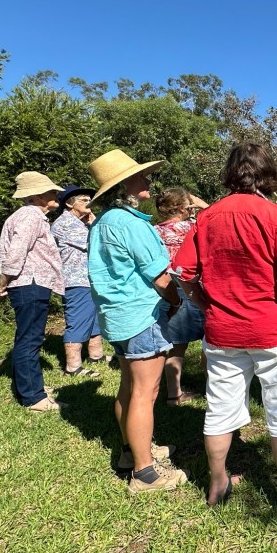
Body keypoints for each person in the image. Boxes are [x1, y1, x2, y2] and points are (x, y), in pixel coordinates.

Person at [175, 143, 277, 513]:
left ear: (230, 173)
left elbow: (183, 272)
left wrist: (205, 304)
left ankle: (217, 483)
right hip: (276, 327)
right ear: (268, 174)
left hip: (223, 329)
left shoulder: (206, 217)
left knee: (219, 409)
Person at [87, 150, 186, 495]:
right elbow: (160, 277)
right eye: (140, 176)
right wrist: (177, 303)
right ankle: (145, 473)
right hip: (141, 315)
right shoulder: (130, 224)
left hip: (117, 316)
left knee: (129, 387)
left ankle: (132, 451)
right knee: (146, 392)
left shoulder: (103, 221)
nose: (147, 180)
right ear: (123, 185)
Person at [0, 172, 66, 412]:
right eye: (52, 191)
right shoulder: (30, 216)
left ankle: (29, 386)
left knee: (28, 337)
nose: (57, 194)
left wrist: (4, 284)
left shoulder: (30, 216)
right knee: (30, 339)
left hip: (30, 284)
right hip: (30, 284)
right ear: (37, 196)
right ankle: (33, 397)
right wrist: (2, 284)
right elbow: (16, 254)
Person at [155, 187, 208, 405]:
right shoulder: (193, 227)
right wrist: (202, 206)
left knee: (176, 346)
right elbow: (216, 220)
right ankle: (213, 389)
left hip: (170, 290)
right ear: (182, 207)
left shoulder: (155, 231)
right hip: (197, 288)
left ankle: (173, 393)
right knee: (210, 343)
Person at [50, 184, 106, 377]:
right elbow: (96, 243)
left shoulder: (82, 223)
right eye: (84, 200)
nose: (89, 203)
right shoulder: (65, 224)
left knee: (94, 319)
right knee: (78, 320)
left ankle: (96, 356)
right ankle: (73, 367)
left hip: (89, 279)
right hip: (76, 280)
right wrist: (96, 225)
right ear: (69, 203)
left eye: (89, 200)